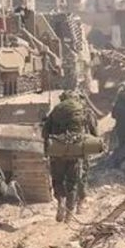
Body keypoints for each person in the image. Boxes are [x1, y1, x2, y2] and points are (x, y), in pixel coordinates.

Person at [44, 91, 99, 222]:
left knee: (57, 179)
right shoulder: (84, 111)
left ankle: (61, 201)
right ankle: (70, 211)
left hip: (58, 151)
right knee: (73, 182)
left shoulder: (55, 111)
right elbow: (94, 133)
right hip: (76, 151)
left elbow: (45, 132)